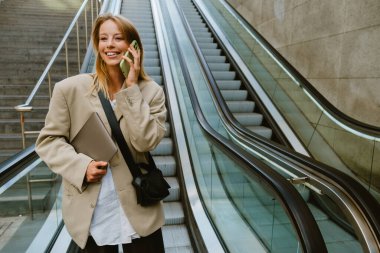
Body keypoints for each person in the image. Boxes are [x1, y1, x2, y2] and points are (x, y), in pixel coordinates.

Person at [35, 13, 167, 253]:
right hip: (91, 211)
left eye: (118, 38)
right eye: (103, 38)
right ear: (97, 45)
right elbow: (48, 141)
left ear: (133, 46)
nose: (110, 45)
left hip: (139, 210)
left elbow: (146, 141)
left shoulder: (152, 93)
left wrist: (131, 89)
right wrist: (80, 166)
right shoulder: (70, 89)